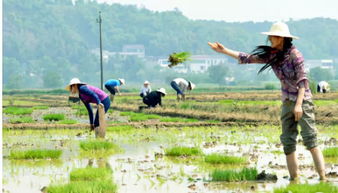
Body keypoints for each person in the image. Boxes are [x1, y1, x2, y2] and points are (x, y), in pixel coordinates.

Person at [208, 22, 326, 181]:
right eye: (270, 36)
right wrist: (224, 51)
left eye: (272, 36)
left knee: (310, 140)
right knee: (288, 143)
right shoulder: (273, 55)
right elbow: (248, 58)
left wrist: (298, 106)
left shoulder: (295, 55)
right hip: (286, 102)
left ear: (281, 38)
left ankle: (323, 178)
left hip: (302, 102)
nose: (269, 38)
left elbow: (303, 82)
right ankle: (295, 180)